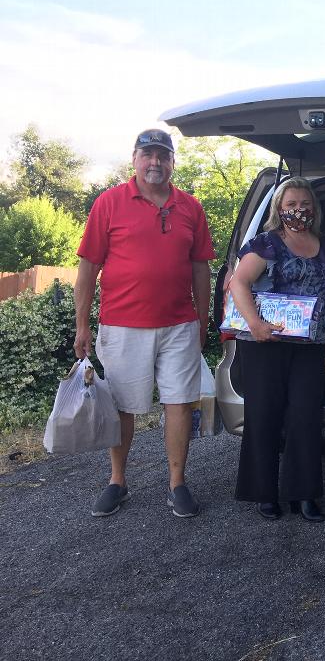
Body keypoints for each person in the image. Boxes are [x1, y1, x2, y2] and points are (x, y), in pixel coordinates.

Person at [75, 128, 215, 518]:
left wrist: (202, 320)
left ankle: (177, 484)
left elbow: (200, 267)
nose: (155, 162)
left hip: (179, 326)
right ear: (134, 159)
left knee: (180, 404)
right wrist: (82, 325)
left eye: (163, 155)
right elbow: (88, 267)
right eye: (147, 154)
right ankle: (117, 481)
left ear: (173, 162)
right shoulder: (109, 203)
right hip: (122, 325)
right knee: (122, 407)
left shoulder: (191, 207)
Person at [228, 177, 325, 522]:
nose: (299, 210)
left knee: (305, 417)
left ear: (314, 208)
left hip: (310, 344)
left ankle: (304, 494)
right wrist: (256, 325)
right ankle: (265, 493)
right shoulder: (265, 244)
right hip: (265, 343)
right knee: (264, 417)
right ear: (279, 208)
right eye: (291, 204)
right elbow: (238, 282)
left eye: (305, 204)